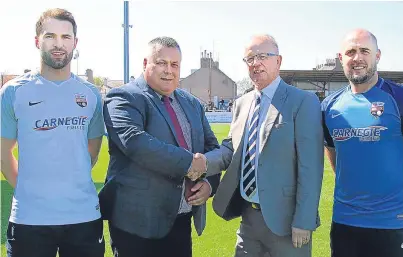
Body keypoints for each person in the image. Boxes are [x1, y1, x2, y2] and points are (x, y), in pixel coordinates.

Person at [100, 36, 221, 257]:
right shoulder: (124, 97)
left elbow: (212, 148)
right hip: (136, 224)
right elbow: (136, 143)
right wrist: (189, 164)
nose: (169, 70)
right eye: (161, 63)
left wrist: (209, 184)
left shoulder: (192, 103)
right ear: (146, 64)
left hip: (180, 220)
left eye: (174, 64)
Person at [204, 34, 324, 257]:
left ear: (278, 61)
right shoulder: (241, 103)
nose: (255, 63)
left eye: (262, 56)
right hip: (248, 219)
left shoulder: (303, 102)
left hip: (287, 224)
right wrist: (202, 163)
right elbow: (231, 150)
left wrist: (304, 220)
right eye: (249, 58)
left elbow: (311, 167)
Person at [0, 8, 105, 257]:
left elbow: (92, 153)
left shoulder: (91, 95)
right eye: (50, 36)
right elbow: (4, 155)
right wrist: (29, 190)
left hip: (84, 219)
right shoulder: (13, 92)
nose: (58, 44)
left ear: (75, 43)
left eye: (66, 37)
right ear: (37, 41)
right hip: (29, 220)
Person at [322, 29, 403, 257]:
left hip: (393, 223)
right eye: (351, 52)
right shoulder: (329, 107)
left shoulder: (398, 99)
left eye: (364, 51)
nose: (357, 58)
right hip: (345, 222)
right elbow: (333, 155)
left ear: (377, 56)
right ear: (341, 59)